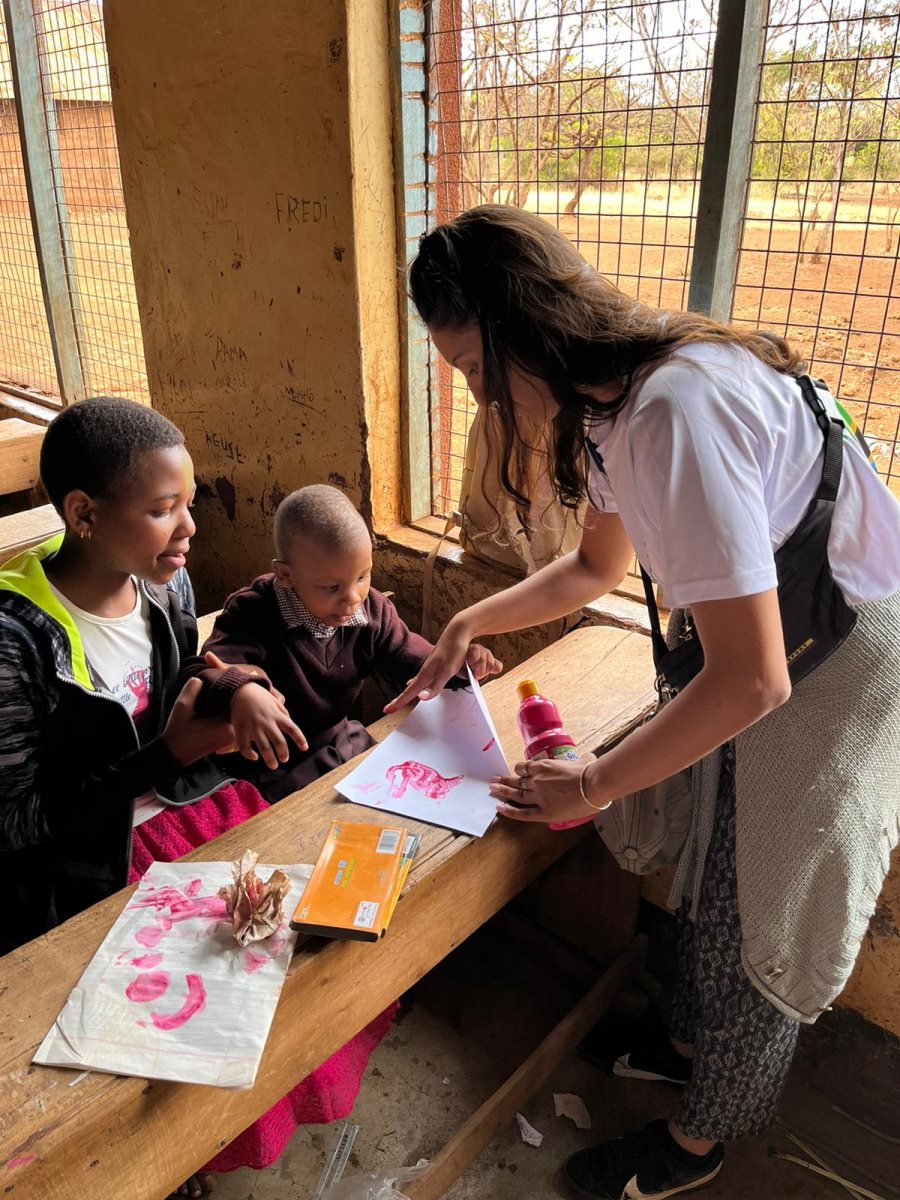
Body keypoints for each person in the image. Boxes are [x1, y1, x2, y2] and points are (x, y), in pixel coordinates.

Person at [390, 205, 900, 1200]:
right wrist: (467, 622)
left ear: (523, 328)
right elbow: (595, 565)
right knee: (715, 850)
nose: (481, 399)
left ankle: (701, 1141)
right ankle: (684, 1044)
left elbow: (755, 680)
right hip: (778, 641)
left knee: (771, 906)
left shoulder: (672, 410)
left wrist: (590, 782)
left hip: (844, 656)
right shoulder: (614, 399)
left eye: (475, 371)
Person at [183, 483, 502, 801]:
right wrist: (241, 689)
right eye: (331, 587)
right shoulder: (253, 612)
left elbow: (413, 658)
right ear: (285, 575)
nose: (352, 599)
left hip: (340, 747)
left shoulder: (371, 610)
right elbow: (203, 672)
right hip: (268, 769)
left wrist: (457, 662)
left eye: (363, 577)